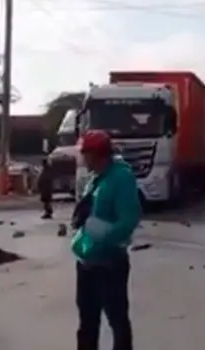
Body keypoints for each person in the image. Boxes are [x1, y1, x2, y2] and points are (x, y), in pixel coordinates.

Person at [70, 129, 141, 350]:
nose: (83, 158)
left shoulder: (121, 178)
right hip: (88, 263)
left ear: (97, 154)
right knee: (87, 322)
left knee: (117, 320)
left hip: (110, 263)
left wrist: (103, 234)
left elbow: (129, 219)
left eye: (86, 153)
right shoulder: (95, 179)